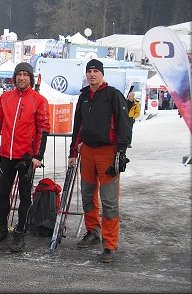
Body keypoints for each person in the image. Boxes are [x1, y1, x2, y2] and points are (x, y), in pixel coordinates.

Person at [68, 59, 131, 263]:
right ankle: (93, 231)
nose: (92, 74)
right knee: (87, 195)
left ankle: (110, 244)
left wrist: (121, 152)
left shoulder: (113, 95)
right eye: (89, 71)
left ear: (102, 74)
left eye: (96, 71)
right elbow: (78, 126)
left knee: (109, 201)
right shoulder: (84, 96)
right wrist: (72, 153)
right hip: (87, 151)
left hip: (107, 153)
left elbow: (124, 124)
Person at [0, 62, 50, 253]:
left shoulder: (39, 100)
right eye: (19, 74)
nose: (22, 78)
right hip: (6, 155)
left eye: (25, 75)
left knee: (24, 196)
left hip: (26, 157)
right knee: (3, 194)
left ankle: (20, 232)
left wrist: (38, 156)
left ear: (30, 78)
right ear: (14, 78)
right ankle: (1, 228)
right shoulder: (5, 97)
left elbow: (43, 129)